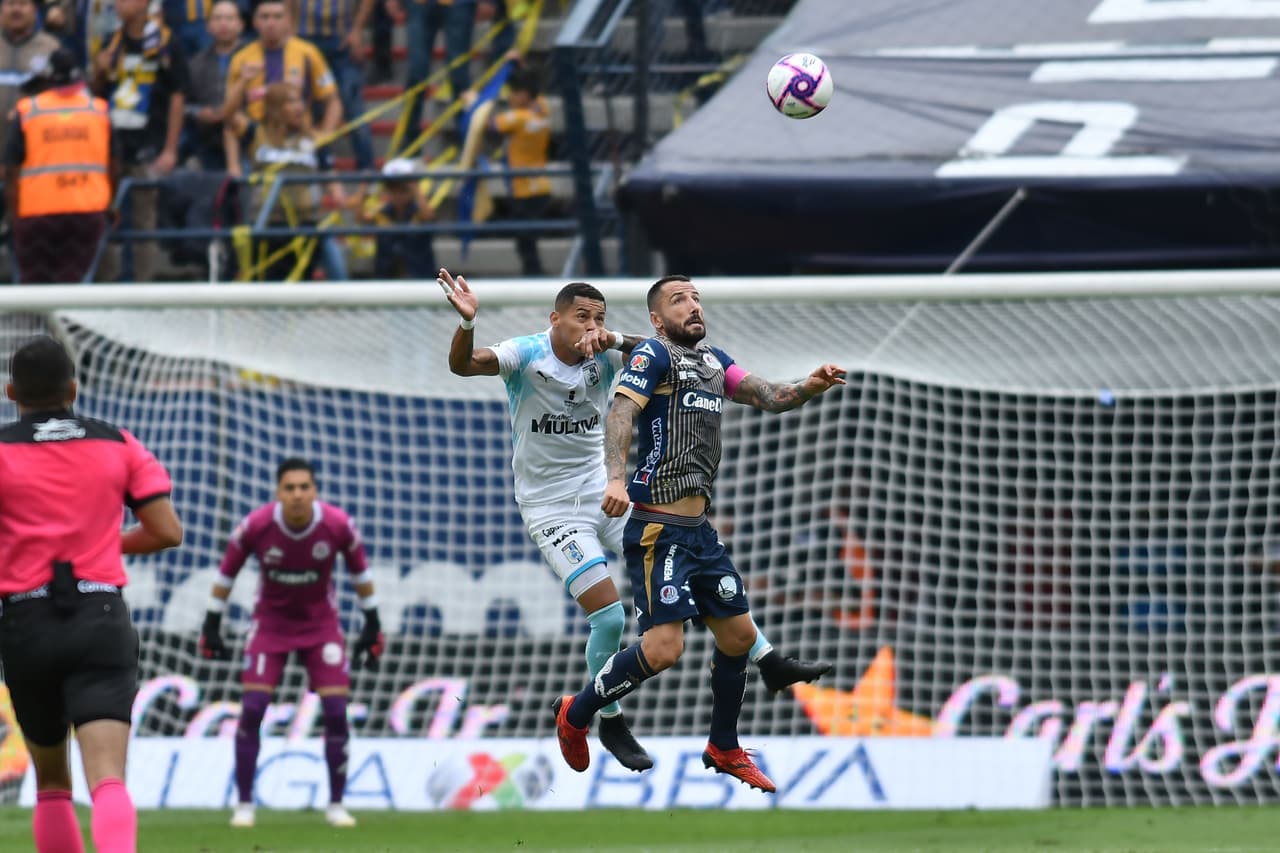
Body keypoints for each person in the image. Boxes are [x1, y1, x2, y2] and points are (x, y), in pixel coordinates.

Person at [440, 269, 831, 771]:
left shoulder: (608, 352)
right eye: (580, 317)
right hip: (552, 504)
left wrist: (615, 338)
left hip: (605, 490)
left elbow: (671, 353)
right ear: (554, 319)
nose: (590, 327)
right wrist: (468, 323)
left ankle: (767, 663)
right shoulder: (527, 353)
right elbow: (463, 365)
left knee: (698, 565)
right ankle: (610, 718)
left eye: (598, 318)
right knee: (609, 615)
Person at [550, 274, 847, 792]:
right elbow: (621, 411)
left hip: (699, 530)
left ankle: (724, 745)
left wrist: (809, 385)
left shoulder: (714, 362)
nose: (692, 307)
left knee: (736, 635)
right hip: (657, 529)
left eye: (695, 299)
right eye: (678, 300)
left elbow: (769, 396)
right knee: (664, 649)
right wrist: (616, 478)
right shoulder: (652, 357)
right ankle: (578, 712)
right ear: (656, 318)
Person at [0, 335, 183, 853]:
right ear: (74, 389)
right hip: (99, 616)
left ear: (11, 390)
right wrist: (107, 544)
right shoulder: (118, 442)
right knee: (107, 779)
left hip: (26, 622)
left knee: (52, 785)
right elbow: (167, 530)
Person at [198, 457, 382, 829]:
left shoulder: (337, 525)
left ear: (314, 491)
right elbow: (225, 574)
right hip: (271, 626)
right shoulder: (257, 525)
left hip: (321, 626)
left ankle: (336, 805)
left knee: (335, 711)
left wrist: (372, 623)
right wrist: (212, 622)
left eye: (304, 487)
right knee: (252, 708)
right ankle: (245, 805)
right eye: (290, 488)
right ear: (278, 492)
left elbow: (360, 573)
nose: (297, 495)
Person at [91, 0, 189, 282]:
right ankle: (105, 284)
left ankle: (142, 286)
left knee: (144, 221)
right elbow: (96, 94)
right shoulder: (111, 42)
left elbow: (178, 95)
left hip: (149, 142)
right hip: (111, 145)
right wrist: (99, 71)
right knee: (104, 216)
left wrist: (170, 149)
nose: (119, 4)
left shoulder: (167, 42)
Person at [4, 47, 116, 283]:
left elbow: (11, 169)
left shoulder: (28, 110)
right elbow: (114, 164)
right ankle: (61, 320)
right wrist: (110, 205)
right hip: (86, 213)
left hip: (36, 215)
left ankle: (36, 321)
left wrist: (13, 216)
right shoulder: (98, 110)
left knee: (34, 287)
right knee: (70, 285)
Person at [226, 81, 346, 280]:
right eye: (291, 102)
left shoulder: (314, 139)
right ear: (275, 107)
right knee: (269, 285)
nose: (299, 106)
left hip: (306, 223)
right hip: (268, 224)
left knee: (307, 280)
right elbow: (228, 115)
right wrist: (242, 84)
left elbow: (329, 174)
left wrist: (338, 193)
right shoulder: (257, 134)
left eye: (300, 101)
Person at [222, 0, 341, 149]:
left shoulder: (308, 53)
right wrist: (243, 81)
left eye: (277, 16)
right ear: (255, 22)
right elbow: (229, 111)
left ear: (288, 21)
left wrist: (325, 135)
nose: (271, 23)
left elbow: (332, 100)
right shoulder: (241, 58)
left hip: (300, 134)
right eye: (265, 17)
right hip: (257, 136)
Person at [288, 0, 375, 170]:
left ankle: (367, 173)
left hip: (341, 39)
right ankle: (321, 167)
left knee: (353, 107)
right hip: (304, 35)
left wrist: (357, 30)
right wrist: (290, 31)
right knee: (305, 107)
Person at [488, 65, 550, 276]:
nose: (510, 97)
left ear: (524, 94)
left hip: (523, 189)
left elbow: (491, 125)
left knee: (526, 244)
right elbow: (536, 92)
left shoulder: (519, 118)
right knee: (528, 241)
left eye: (514, 92)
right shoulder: (542, 109)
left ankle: (535, 279)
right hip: (539, 185)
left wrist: (473, 104)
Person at [181, 0, 242, 170]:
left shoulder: (254, 58)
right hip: (207, 141)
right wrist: (199, 112)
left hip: (245, 139)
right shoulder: (195, 63)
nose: (223, 23)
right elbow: (185, 104)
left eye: (229, 18)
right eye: (217, 18)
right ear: (208, 26)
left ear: (240, 25)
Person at [361, 156, 436, 279]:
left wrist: (414, 186)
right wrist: (363, 188)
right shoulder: (383, 212)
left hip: (418, 275)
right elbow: (361, 218)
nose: (397, 194)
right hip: (386, 276)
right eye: (392, 188)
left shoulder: (419, 211)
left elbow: (428, 216)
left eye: (403, 189)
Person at [0, 0, 63, 146]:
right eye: (10, 4)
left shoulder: (50, 47)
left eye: (22, 4)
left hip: (36, 146)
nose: (16, 9)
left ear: (35, 10)